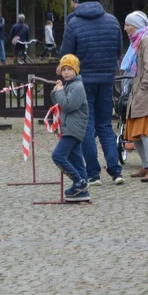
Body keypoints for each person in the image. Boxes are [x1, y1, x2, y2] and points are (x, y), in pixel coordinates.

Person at [59, 0, 125, 186]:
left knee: (86, 126)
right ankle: (115, 171)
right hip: (106, 80)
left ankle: (93, 173)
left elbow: (67, 54)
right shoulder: (113, 21)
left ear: (81, 2)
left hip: (82, 82)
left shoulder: (74, 23)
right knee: (105, 125)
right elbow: (118, 51)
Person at [120, 11, 148, 182]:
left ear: (137, 26)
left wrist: (142, 88)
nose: (125, 28)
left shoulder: (146, 41)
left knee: (144, 131)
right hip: (139, 93)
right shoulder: (138, 42)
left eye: (128, 25)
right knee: (134, 132)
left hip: (147, 94)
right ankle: (146, 165)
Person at [51, 54, 91, 202]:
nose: (66, 72)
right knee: (76, 159)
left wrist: (60, 92)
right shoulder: (69, 85)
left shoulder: (77, 87)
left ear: (76, 70)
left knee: (58, 156)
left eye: (70, 69)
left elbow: (67, 106)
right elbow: (59, 103)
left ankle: (78, 182)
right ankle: (83, 190)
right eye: (64, 69)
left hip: (74, 129)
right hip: (69, 127)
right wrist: (56, 91)